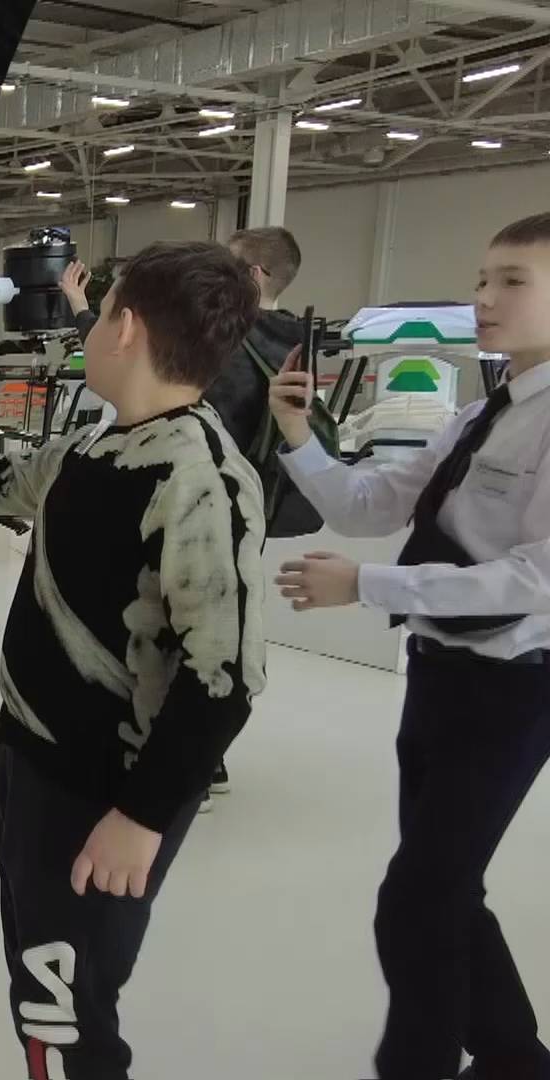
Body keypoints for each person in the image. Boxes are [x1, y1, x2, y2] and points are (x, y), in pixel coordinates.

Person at [0, 240, 268, 1080]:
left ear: (126, 327)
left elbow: (224, 679)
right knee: (38, 981)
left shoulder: (199, 478)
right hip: (33, 761)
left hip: (104, 795)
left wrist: (142, 817)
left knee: (66, 1010)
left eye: (102, 308)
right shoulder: (95, 448)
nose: (91, 324)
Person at [271, 211, 550, 1080]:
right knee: (446, 889)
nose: (484, 298)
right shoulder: (477, 417)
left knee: (416, 902)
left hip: (513, 690)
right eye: (482, 279)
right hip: (436, 680)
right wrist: (298, 435)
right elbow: (371, 505)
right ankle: (514, 1059)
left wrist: (367, 586)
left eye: (513, 281)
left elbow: (534, 581)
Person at [61, 227, 309, 810]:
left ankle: (170, 769)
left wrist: (83, 310)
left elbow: (151, 379)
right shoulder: (293, 343)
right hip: (248, 501)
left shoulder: (219, 339)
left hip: (186, 494)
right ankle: (203, 760)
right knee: (207, 623)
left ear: (252, 277)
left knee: (169, 632)